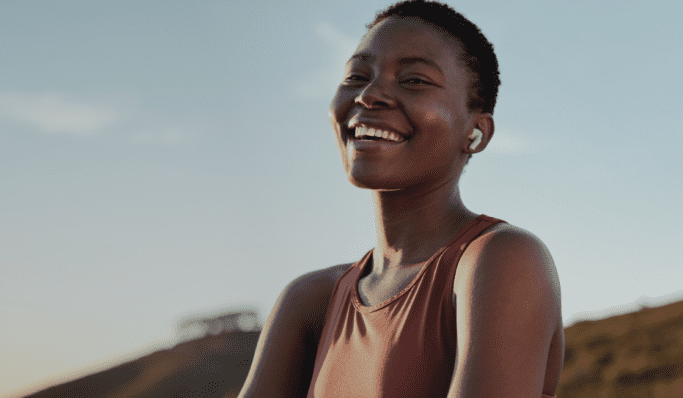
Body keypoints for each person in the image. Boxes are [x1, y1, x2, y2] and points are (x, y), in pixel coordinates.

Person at [239, 1, 563, 397]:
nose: (370, 95)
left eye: (414, 80)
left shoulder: (500, 260)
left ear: (476, 132)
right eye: (356, 76)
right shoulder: (309, 301)